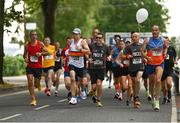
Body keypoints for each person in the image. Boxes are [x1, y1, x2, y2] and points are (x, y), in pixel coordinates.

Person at [141, 25, 168, 111]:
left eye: (156, 30)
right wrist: (146, 57)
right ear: (151, 31)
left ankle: (157, 100)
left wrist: (164, 53)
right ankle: (152, 97)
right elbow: (142, 51)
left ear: (159, 31)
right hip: (150, 64)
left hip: (160, 63)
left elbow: (166, 47)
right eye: (153, 30)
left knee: (158, 80)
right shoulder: (148, 40)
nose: (154, 32)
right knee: (151, 83)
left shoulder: (163, 40)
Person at [23, 30, 48, 106]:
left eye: (35, 35)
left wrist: (40, 54)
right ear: (30, 36)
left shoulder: (40, 44)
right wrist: (25, 58)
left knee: (36, 84)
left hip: (38, 67)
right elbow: (24, 55)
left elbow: (47, 52)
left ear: (36, 36)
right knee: (30, 81)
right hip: (30, 66)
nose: (34, 36)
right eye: (32, 35)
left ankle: (38, 84)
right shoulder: (27, 45)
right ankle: (33, 99)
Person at [68, 28, 90, 105]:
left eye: (76, 34)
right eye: (74, 34)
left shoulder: (82, 42)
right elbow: (69, 50)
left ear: (79, 35)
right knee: (73, 79)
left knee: (83, 82)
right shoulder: (71, 41)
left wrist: (81, 49)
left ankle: (83, 90)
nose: (75, 35)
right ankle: (73, 97)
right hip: (72, 64)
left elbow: (88, 51)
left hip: (81, 65)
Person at [89, 32, 111, 107]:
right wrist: (88, 59)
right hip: (93, 68)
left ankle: (98, 100)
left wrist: (109, 57)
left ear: (102, 39)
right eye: (97, 38)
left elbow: (109, 55)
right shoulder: (91, 46)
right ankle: (92, 91)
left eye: (100, 38)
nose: (98, 39)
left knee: (99, 84)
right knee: (94, 87)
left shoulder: (106, 47)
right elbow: (87, 53)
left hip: (101, 68)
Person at [123, 32, 144, 109]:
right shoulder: (129, 47)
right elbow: (122, 55)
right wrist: (127, 56)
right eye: (133, 37)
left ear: (139, 37)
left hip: (140, 66)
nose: (134, 38)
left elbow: (146, 53)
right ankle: (136, 99)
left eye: (136, 36)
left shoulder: (142, 46)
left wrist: (145, 57)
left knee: (138, 80)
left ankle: (137, 97)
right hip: (132, 68)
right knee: (134, 84)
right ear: (131, 38)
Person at [161, 36, 177, 104]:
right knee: (163, 87)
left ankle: (169, 90)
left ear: (169, 41)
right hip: (162, 68)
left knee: (169, 83)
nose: (166, 42)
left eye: (167, 41)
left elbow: (175, 56)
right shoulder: (160, 49)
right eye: (164, 41)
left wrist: (175, 60)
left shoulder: (172, 48)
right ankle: (165, 97)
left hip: (170, 68)